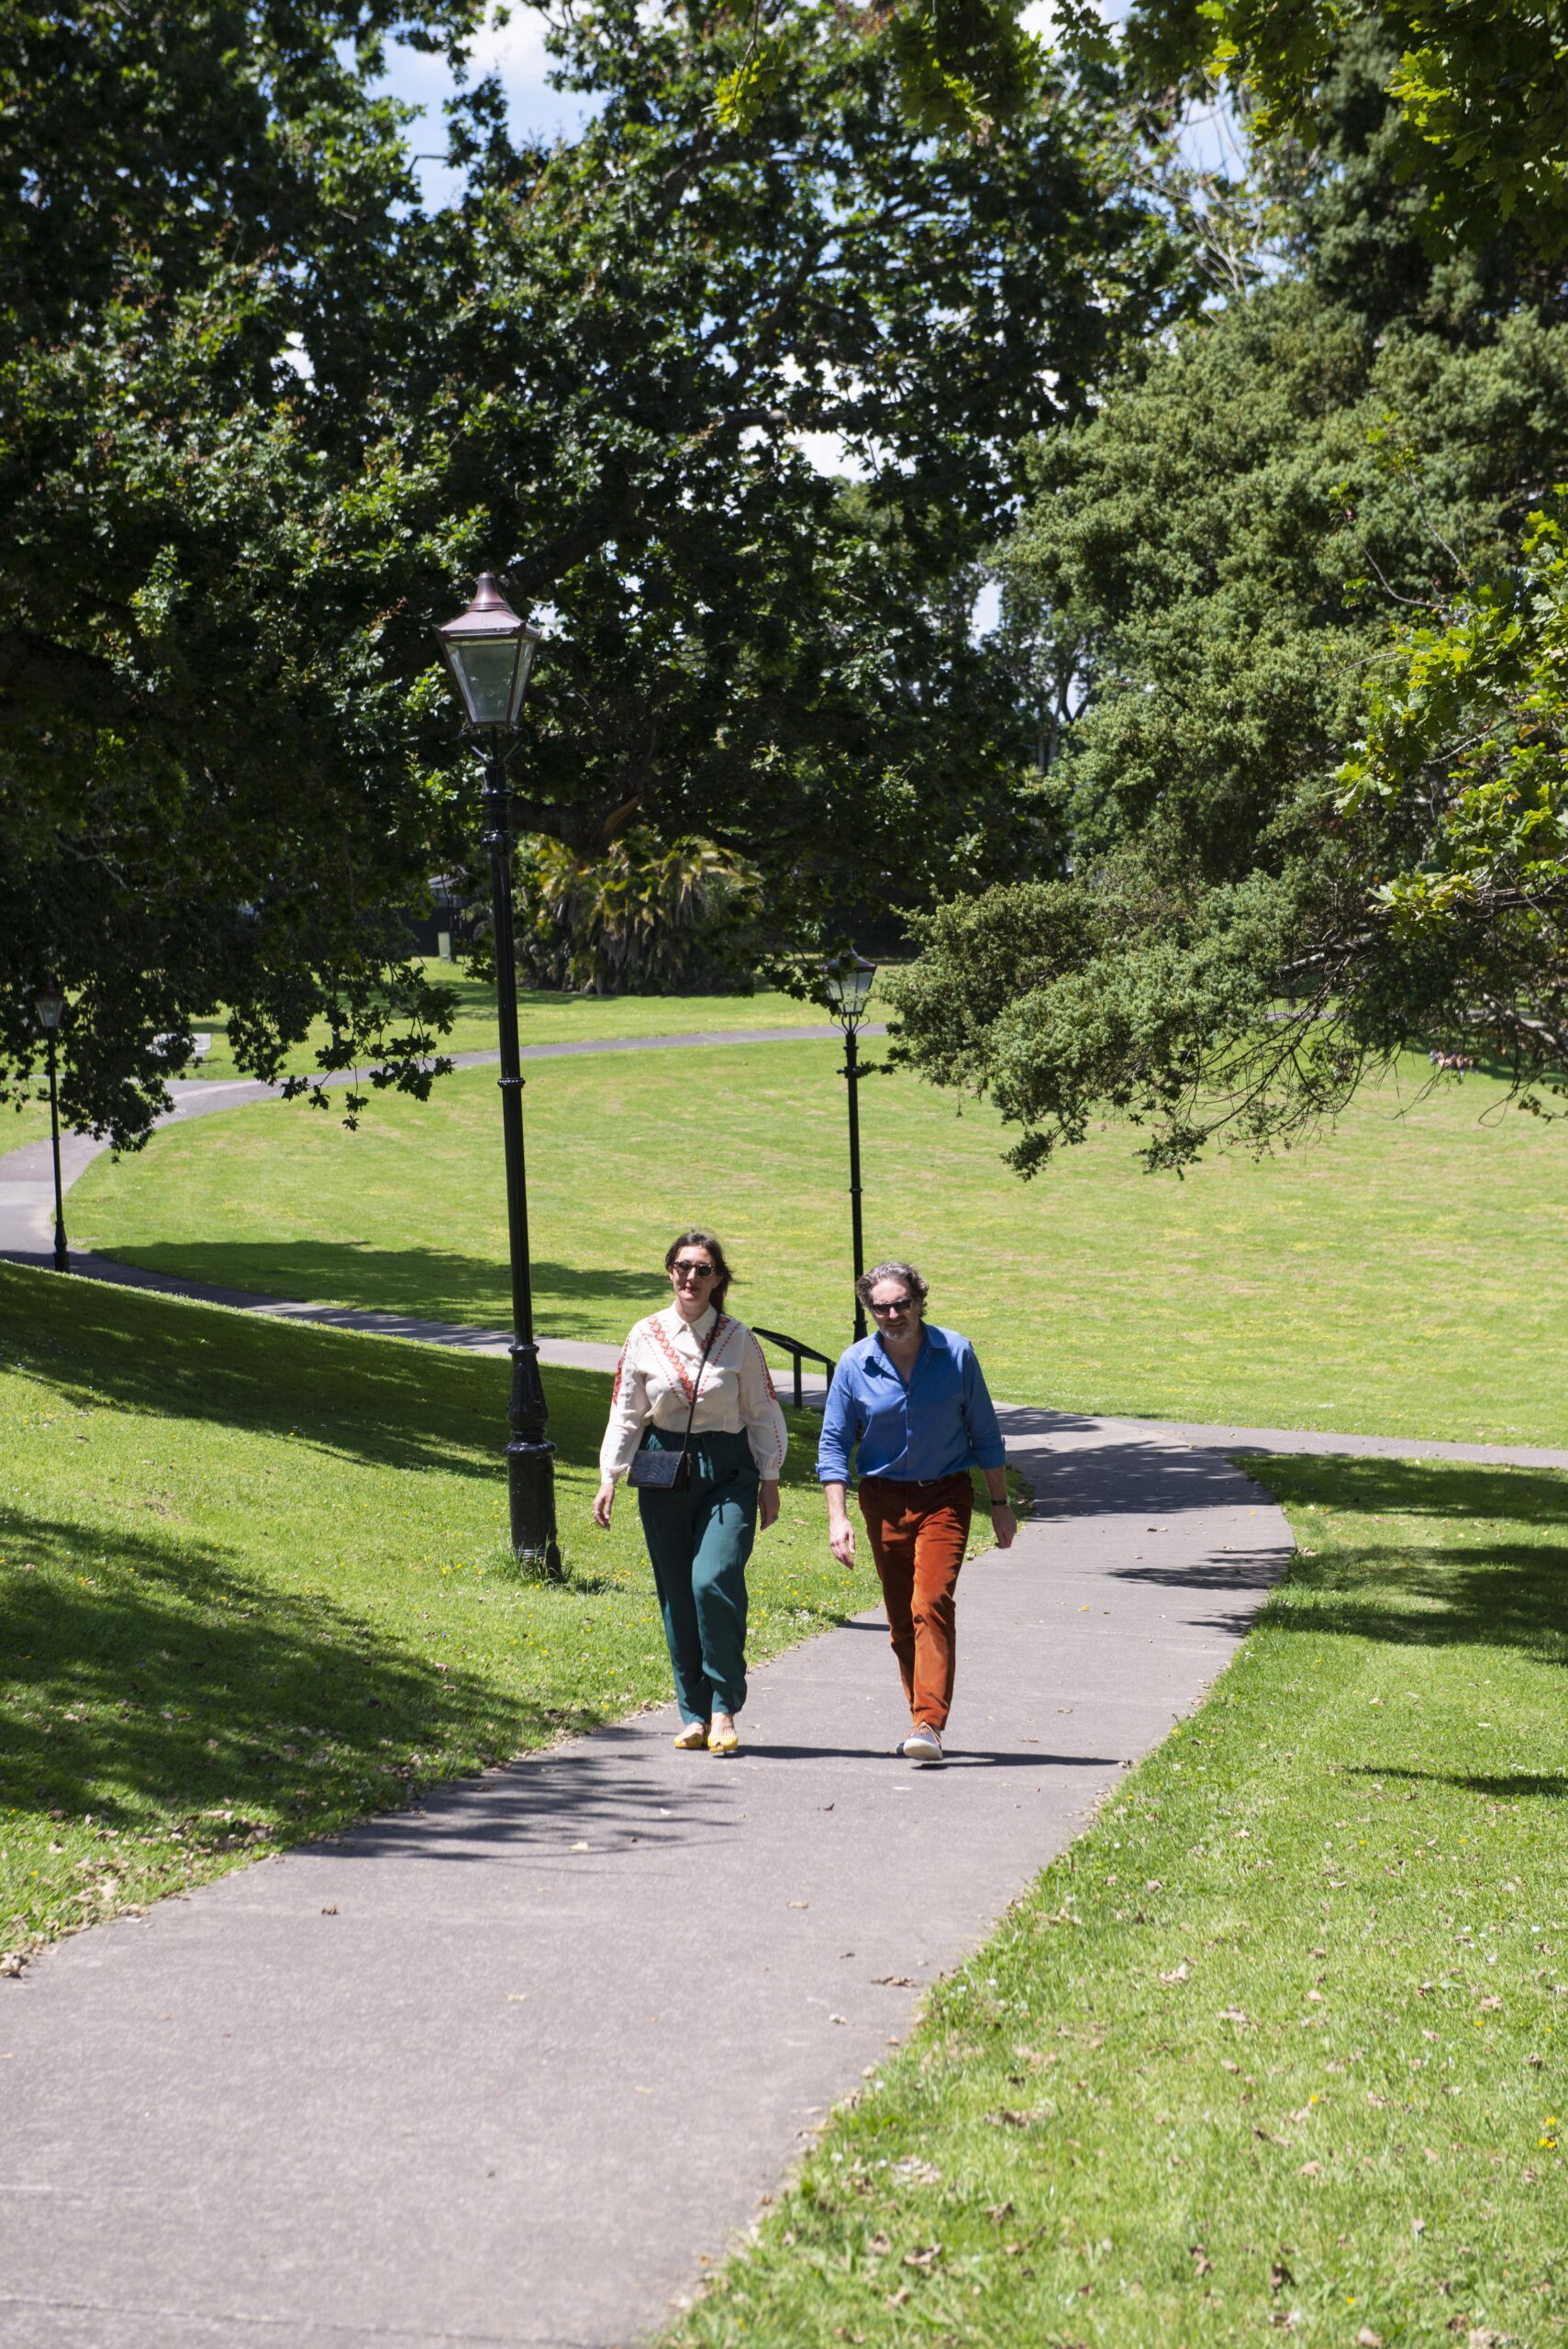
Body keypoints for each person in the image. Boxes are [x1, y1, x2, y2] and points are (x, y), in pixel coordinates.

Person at [594, 1230, 786, 1755]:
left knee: (713, 1580)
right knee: (677, 1592)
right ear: (669, 1272)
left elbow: (762, 1411)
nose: (691, 1278)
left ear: (718, 1278)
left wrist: (770, 1478)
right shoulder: (645, 1334)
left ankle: (725, 1705)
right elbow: (627, 1411)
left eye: (703, 1269)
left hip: (727, 1470)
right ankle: (694, 1714)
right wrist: (609, 1475)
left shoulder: (738, 1338)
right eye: (682, 1267)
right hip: (663, 1466)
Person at [817, 1261, 1015, 1765]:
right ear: (870, 1310)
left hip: (944, 1496)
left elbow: (985, 1433)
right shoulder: (854, 1364)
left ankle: (929, 1721)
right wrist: (837, 1519)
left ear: (920, 1301)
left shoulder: (955, 1353)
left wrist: (1000, 1504)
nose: (892, 1314)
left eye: (901, 1303)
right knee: (902, 1619)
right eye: (880, 1307)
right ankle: (920, 1722)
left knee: (932, 1602)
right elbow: (834, 1444)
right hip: (882, 1500)